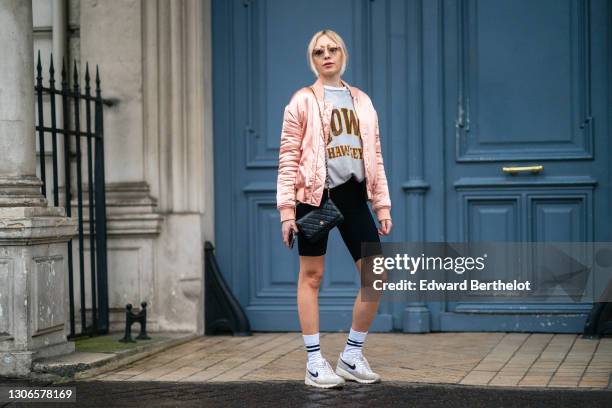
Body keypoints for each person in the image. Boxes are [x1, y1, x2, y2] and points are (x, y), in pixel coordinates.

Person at [276, 29, 393, 388]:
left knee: (376, 277)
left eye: (333, 49)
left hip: (355, 195)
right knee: (312, 277)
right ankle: (314, 362)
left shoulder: (362, 100)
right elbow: (288, 157)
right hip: (315, 198)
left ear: (343, 54)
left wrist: (382, 204)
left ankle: (351, 356)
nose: (326, 55)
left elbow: (374, 154)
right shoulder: (302, 101)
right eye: (319, 51)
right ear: (312, 60)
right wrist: (286, 211)